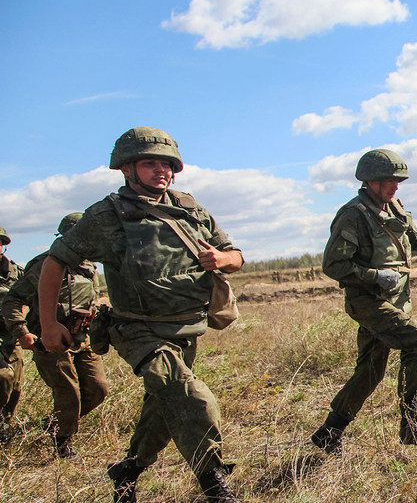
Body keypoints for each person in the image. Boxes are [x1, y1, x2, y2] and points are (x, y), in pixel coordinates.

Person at [39, 127, 242, 502]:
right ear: (127, 169)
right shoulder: (108, 215)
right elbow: (55, 261)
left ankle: (128, 471)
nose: (161, 171)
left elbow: (235, 255)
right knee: (191, 398)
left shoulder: (190, 209)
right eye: (150, 164)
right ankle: (214, 484)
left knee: (163, 411)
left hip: (186, 327)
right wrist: (49, 323)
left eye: (166, 164)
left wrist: (222, 258)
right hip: (138, 330)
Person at [309, 148, 417, 453]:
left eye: (398, 180)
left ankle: (329, 431)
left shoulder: (394, 208)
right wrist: (374, 276)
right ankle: (411, 426)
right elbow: (333, 265)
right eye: (389, 180)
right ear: (370, 182)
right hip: (369, 301)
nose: (396, 186)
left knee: (370, 370)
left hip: (395, 300)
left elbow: (415, 238)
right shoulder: (353, 215)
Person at [2, 213, 109, 458]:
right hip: (48, 340)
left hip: (83, 339)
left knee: (98, 389)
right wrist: (22, 333)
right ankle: (62, 442)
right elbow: (12, 299)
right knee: (68, 392)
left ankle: (54, 423)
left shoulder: (89, 266)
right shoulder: (43, 264)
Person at [0, 225, 25, 430]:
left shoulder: (16, 273)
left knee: (15, 387)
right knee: (3, 377)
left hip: (11, 335)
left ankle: (5, 424)